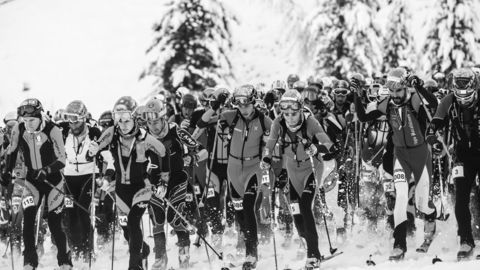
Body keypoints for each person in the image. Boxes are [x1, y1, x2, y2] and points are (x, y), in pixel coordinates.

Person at [352, 67, 439, 260]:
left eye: (398, 91)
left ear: (405, 88)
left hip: (421, 154)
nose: (395, 96)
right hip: (400, 156)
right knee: (400, 198)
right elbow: (363, 117)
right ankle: (399, 245)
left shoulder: (415, 98)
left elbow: (435, 104)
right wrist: (357, 95)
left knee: (422, 204)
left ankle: (431, 216)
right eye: (391, 92)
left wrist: (420, 86)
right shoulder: (387, 104)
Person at [88, 96, 169, 270]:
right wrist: (93, 149)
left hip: (141, 188)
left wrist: (163, 180)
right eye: (119, 119)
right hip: (121, 189)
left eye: (126, 119)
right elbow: (98, 145)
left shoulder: (144, 137)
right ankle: (144, 250)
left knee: (133, 222)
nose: (123, 124)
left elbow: (163, 152)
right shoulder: (112, 133)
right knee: (127, 229)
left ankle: (134, 266)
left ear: (134, 118)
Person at [261, 90, 335, 270]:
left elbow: (329, 145)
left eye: (293, 114)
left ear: (300, 109)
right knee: (295, 212)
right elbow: (270, 143)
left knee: (305, 207)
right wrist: (266, 158)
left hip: (311, 168)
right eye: (286, 114)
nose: (290, 118)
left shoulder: (310, 121)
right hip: (292, 169)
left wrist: (316, 148)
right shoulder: (278, 122)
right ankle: (306, 240)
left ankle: (313, 254)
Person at [1, 98, 71, 270]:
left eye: (31, 120)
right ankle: (29, 261)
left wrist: (46, 170)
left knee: (55, 223)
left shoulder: (53, 129)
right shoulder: (20, 128)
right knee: (28, 219)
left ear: (40, 116)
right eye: (25, 120)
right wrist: (5, 173)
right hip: (32, 182)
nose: (28, 124)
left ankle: (64, 261)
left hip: (53, 181)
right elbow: (12, 150)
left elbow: (62, 159)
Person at [143, 98, 206, 269]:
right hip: (156, 183)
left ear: (163, 117)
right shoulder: (144, 136)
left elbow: (203, 151)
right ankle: (160, 258)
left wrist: (192, 157)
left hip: (177, 180)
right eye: (149, 122)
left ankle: (184, 255)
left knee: (174, 218)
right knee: (157, 219)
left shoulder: (176, 131)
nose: (153, 126)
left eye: (155, 121)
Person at [428, 68, 480, 260]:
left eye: (468, 98)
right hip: (462, 154)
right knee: (461, 198)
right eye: (460, 97)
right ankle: (466, 240)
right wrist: (432, 136)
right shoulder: (449, 100)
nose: (463, 101)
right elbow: (435, 123)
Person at [220, 84, 272, 269]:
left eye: (246, 103)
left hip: (253, 168)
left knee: (249, 206)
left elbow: (276, 135)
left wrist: (268, 154)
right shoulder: (231, 116)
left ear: (253, 102)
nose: (243, 107)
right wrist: (219, 104)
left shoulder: (263, 119)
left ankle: (252, 253)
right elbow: (207, 121)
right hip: (233, 169)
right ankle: (241, 243)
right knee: (239, 213)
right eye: (239, 104)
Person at [60, 100, 104, 260]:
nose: (72, 124)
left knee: (83, 210)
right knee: (70, 213)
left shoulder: (94, 132)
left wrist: (97, 152)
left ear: (84, 118)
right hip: (69, 176)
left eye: (76, 119)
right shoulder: (64, 131)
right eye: (69, 119)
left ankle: (89, 249)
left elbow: (104, 152)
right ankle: (76, 248)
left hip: (88, 174)